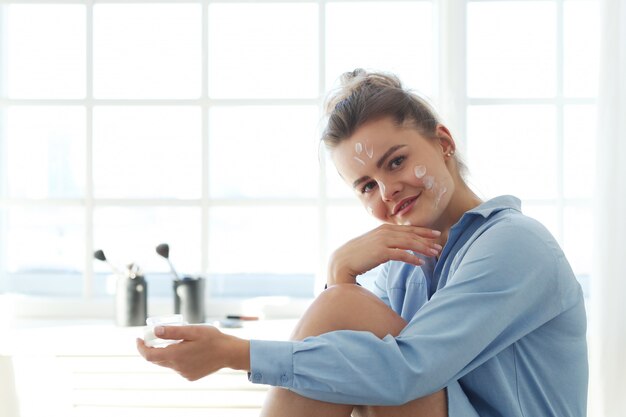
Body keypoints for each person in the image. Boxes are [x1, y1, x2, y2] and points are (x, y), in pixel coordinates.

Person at [137, 69, 588, 417]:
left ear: (443, 143)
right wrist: (338, 274)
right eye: (367, 186)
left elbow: (406, 372)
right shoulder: (405, 264)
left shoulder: (515, 245)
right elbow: (356, 379)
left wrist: (235, 354)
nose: (388, 190)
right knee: (345, 317)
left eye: (396, 161)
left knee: (345, 312)